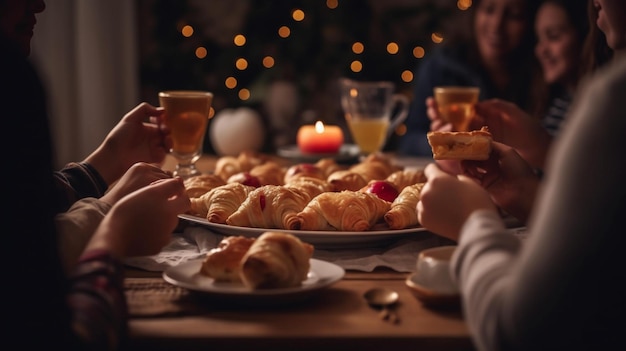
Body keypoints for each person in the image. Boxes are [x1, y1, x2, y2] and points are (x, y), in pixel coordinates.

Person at [416, 0, 626, 349]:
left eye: (555, 35)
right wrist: (529, 193)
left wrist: (474, 221)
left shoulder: (612, 100)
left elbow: (518, 332)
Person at [3, 1, 191, 350]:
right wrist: (113, 228)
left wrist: (101, 165)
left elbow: (17, 220)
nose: (40, 5)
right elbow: (54, 333)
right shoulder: (10, 81)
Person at [398, 0, 544, 156]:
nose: (496, 25)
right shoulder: (442, 65)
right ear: (475, 13)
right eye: (489, 10)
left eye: (514, 15)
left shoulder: (543, 72)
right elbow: (409, 141)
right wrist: (445, 143)